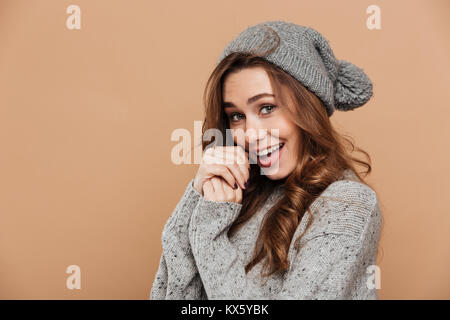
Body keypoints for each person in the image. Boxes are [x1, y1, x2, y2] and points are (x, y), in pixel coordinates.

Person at [150, 20, 382, 300]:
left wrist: (210, 238)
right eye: (237, 116)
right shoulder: (240, 194)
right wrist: (197, 198)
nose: (250, 135)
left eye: (267, 107)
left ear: (308, 106)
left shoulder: (348, 205)